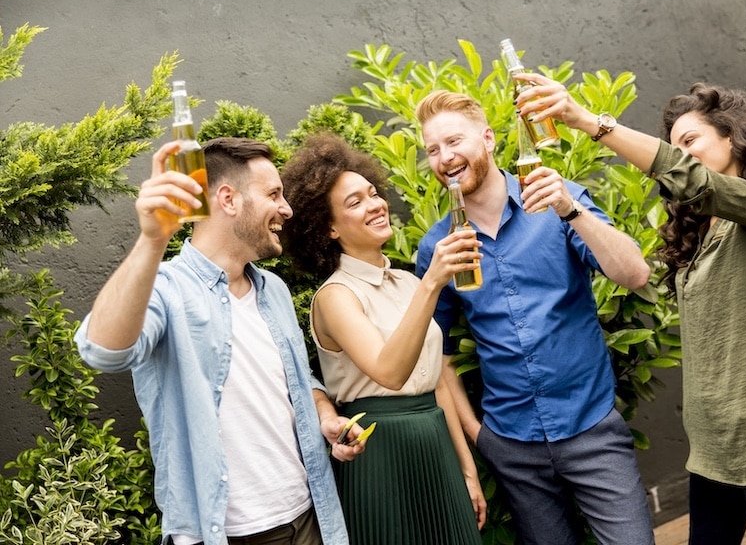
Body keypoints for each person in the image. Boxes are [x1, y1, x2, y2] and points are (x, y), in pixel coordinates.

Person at [515, 76, 746, 545]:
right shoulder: (702, 233)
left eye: (690, 140)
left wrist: (585, 121)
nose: (681, 152)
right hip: (713, 449)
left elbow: (696, 182)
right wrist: (568, 207)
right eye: (674, 145)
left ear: (732, 138)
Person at [74, 137, 361, 545]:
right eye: (274, 194)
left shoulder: (273, 290)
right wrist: (152, 239)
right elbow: (100, 351)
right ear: (228, 199)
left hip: (309, 517)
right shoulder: (166, 291)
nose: (287, 209)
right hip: (228, 533)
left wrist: (325, 418)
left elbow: (300, 384)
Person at [414, 90, 655, 545]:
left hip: (591, 429)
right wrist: (478, 435)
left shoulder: (556, 201)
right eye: (432, 149)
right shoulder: (436, 247)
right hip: (511, 444)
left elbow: (635, 273)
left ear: (486, 138)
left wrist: (571, 208)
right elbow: (437, 354)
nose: (444, 157)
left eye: (453, 141)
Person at [280, 132, 487, 545]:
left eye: (372, 193)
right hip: (379, 453)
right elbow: (390, 373)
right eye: (354, 202)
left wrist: (467, 468)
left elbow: (438, 382)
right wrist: (434, 282)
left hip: (435, 443)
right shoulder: (336, 296)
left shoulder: (409, 283)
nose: (375, 205)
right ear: (329, 229)